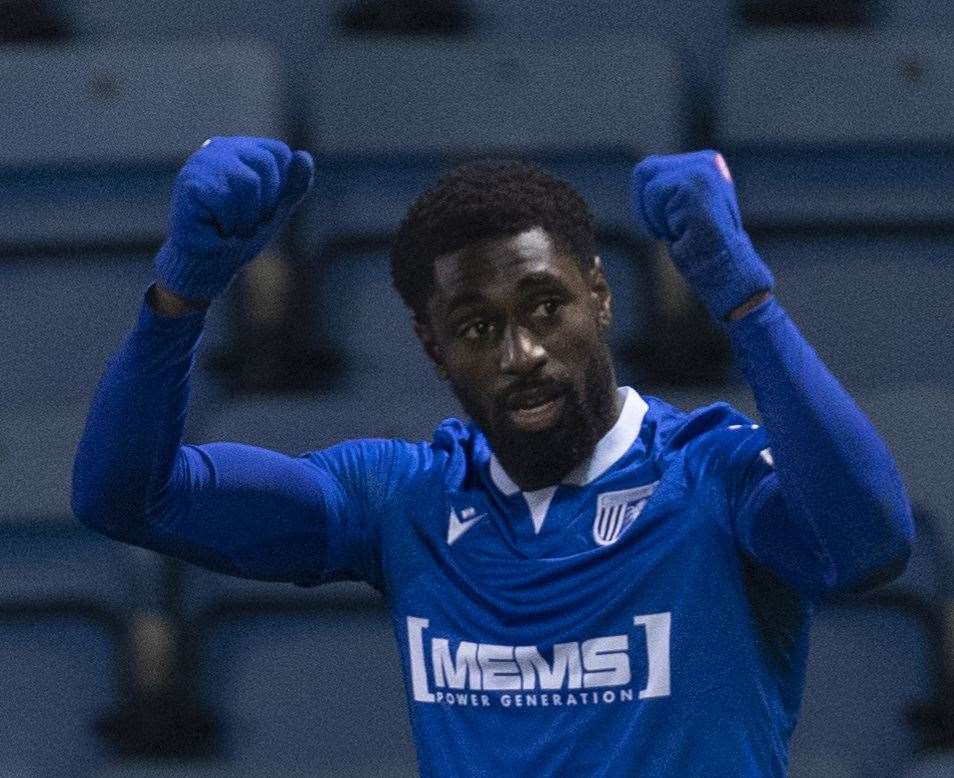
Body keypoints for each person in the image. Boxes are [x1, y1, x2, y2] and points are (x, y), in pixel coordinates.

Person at [72, 136, 913, 777]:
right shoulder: (402, 500)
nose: (522, 353)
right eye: (476, 327)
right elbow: (126, 497)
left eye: (547, 306)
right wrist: (181, 296)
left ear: (600, 294)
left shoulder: (712, 474)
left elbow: (869, 545)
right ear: (431, 346)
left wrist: (744, 294)